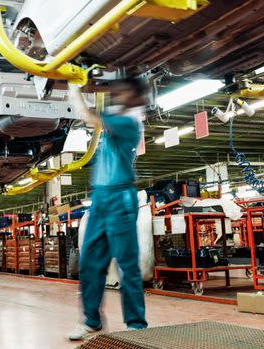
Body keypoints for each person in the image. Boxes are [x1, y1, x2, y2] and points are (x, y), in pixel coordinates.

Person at [66, 78, 148, 341]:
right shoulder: (116, 115)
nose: (117, 95)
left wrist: (73, 87)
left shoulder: (130, 122)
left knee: (126, 264)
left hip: (120, 197)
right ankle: (91, 320)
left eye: (123, 92)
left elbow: (88, 116)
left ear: (136, 98)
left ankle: (136, 323)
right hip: (100, 199)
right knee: (90, 262)